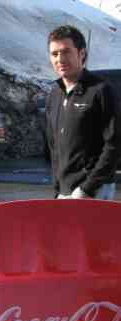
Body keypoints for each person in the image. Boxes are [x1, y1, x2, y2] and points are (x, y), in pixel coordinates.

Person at [46, 25, 121, 200]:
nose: (60, 59)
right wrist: (57, 187)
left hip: (93, 191)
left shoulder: (100, 90)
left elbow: (114, 144)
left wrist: (87, 188)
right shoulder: (54, 94)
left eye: (66, 52)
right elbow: (53, 146)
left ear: (81, 53)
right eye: (54, 54)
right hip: (64, 191)